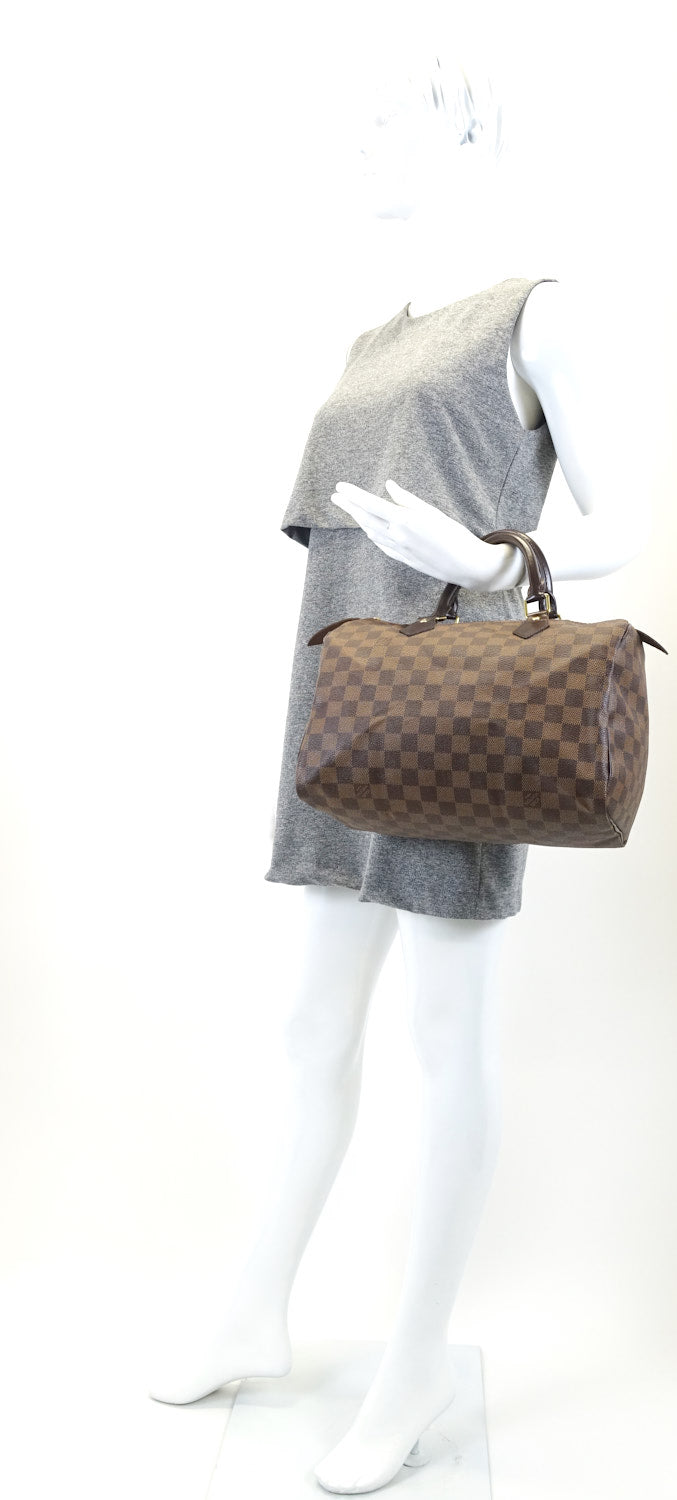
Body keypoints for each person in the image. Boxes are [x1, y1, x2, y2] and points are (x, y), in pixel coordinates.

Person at [148, 49, 650, 1497]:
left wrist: (494, 561)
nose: (363, 141)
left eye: (393, 120)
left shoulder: (536, 312)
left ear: (471, 131)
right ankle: (254, 1306)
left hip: (454, 716)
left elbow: (628, 514)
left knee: (443, 1040)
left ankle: (417, 1361)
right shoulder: (374, 339)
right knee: (310, 1027)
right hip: (340, 704)